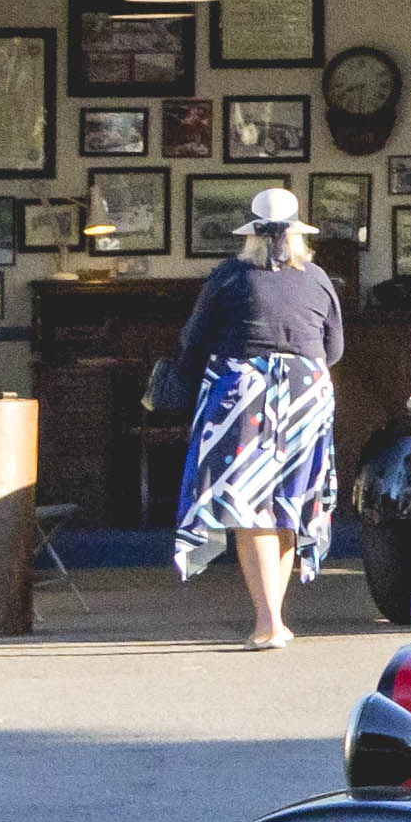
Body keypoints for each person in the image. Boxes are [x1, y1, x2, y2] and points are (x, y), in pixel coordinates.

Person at [162, 187, 345, 653]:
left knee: (249, 506)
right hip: (308, 392)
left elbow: (193, 339)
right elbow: (335, 348)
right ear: (299, 233)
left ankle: (268, 624)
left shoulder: (229, 276)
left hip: (242, 394)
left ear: (250, 234)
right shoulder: (317, 278)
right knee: (289, 502)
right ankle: (274, 618)